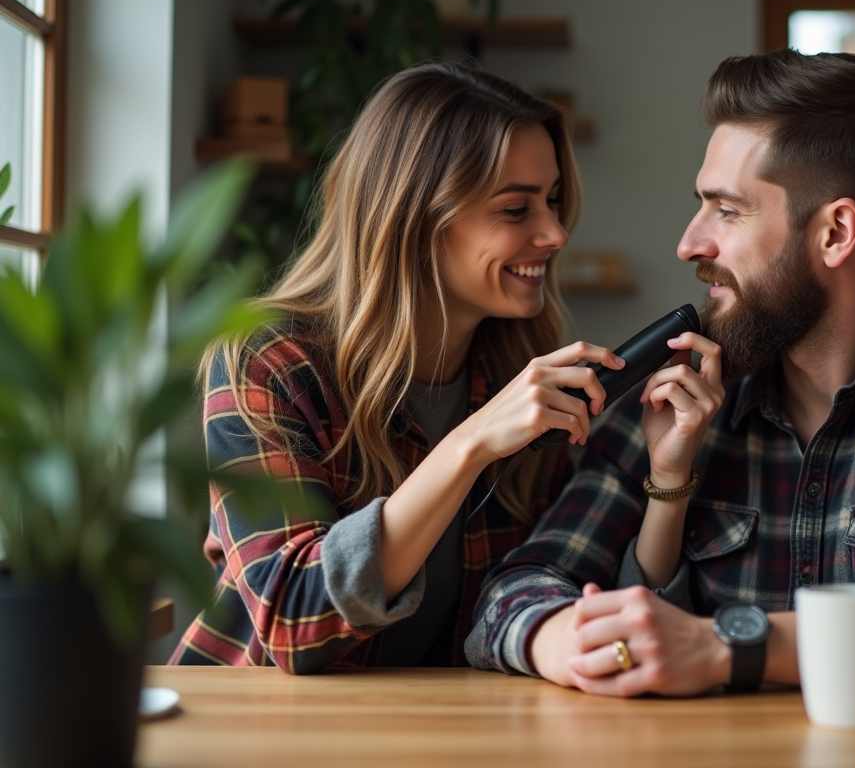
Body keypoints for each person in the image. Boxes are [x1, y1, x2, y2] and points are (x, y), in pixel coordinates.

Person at [466, 50, 855, 696]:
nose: (689, 244)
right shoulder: (674, 394)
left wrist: (727, 645)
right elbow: (510, 596)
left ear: (835, 233)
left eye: (727, 211)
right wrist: (572, 637)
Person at [170, 63, 625, 673]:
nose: (554, 233)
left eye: (553, 202)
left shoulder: (515, 373)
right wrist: (471, 442)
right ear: (415, 222)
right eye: (516, 210)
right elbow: (293, 621)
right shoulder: (267, 360)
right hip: (255, 731)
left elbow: (543, 586)